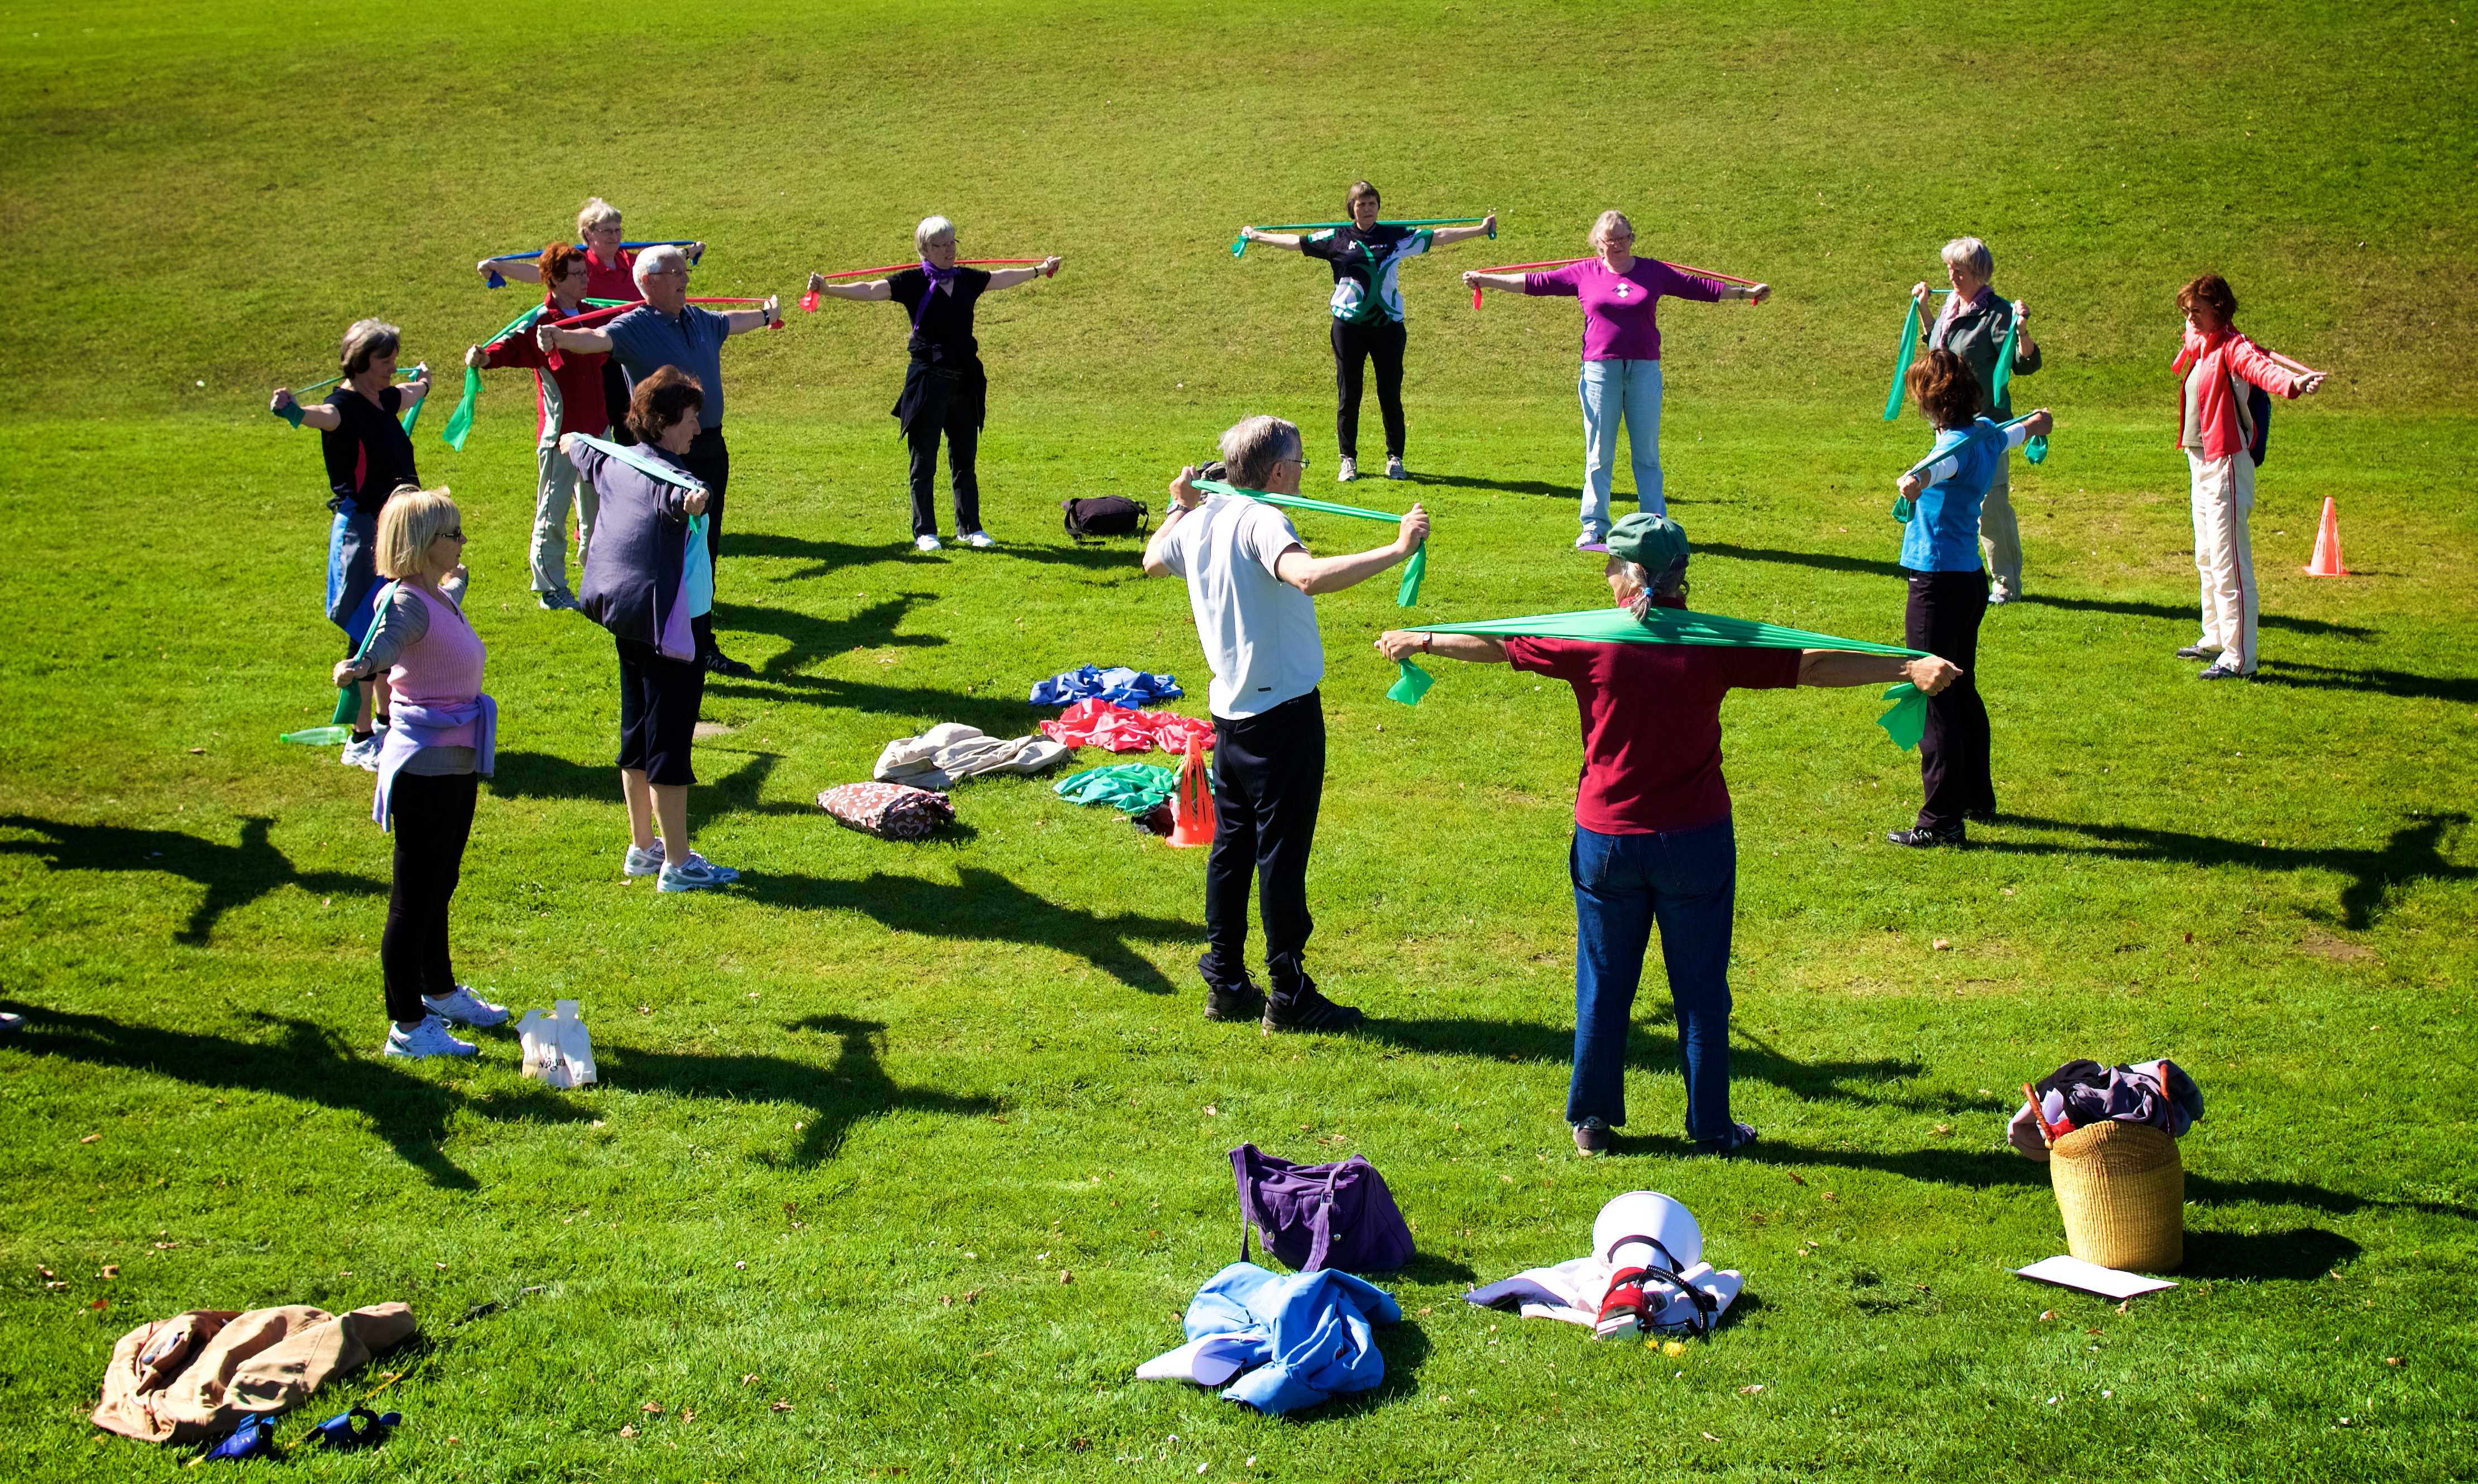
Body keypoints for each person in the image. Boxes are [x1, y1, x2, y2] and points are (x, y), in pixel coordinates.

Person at [1373, 511, 1961, 1154]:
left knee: (1602, 982)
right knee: (1701, 988)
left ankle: (1592, 1125)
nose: (1601, 573)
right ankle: (1710, 1127)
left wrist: (1422, 640)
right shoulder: (1711, 642)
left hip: (1606, 843)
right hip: (1695, 841)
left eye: (1608, 563)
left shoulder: (1593, 641)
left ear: (1630, 575)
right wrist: (1903, 669)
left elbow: (1498, 646)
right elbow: (1812, 665)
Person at [1143, 415, 1428, 1031]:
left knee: (1231, 849)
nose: (1304, 470)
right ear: (1275, 471)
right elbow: (1306, 577)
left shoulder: (1201, 519)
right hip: (1282, 719)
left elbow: (1150, 561)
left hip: (1232, 717)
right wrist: (1397, 549)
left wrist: (1178, 505)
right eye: (1299, 460)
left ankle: (1224, 980)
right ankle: (1287, 990)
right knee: (1278, 854)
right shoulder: (1261, 518)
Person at [1462, 212, 1767, 550]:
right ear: (1598, 243)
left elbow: (1698, 287)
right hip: (1599, 372)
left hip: (1644, 371)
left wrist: (1745, 293)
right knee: (1599, 452)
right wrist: (1486, 281)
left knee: (1647, 453)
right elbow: (1535, 283)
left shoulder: (1653, 271)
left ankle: (1656, 523)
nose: (1617, 245)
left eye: (1623, 238)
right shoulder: (1584, 273)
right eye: (1610, 240)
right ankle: (1594, 526)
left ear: (1632, 238)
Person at [538, 246, 777, 676]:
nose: (684, 277)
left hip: (707, 447)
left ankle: (700, 644)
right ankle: (666, 640)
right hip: (661, 459)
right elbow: (595, 340)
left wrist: (764, 315)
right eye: (674, 272)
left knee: (703, 549)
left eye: (684, 269)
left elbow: (730, 323)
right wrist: (560, 337)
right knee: (667, 550)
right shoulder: (633, 326)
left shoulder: (698, 317)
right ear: (647, 282)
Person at [333, 487, 510, 1058]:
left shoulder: (438, 592)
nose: (462, 541)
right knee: (414, 896)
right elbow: (384, 643)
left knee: (442, 882)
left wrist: (455, 580)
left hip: (455, 760)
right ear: (421, 545)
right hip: (424, 768)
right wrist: (360, 666)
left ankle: (439, 990)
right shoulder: (407, 602)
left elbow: (451, 590)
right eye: (452, 533)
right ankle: (406, 1025)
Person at [565, 368, 742, 894]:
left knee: (637, 731)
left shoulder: (615, 459)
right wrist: (690, 502)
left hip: (631, 618)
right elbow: (673, 501)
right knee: (668, 741)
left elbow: (582, 450)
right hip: (674, 627)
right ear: (664, 422)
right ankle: (679, 864)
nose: (697, 428)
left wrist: (571, 438)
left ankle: (644, 849)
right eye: (691, 419)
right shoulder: (674, 480)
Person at [806, 217, 1063, 551]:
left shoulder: (966, 279)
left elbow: (1000, 279)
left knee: (965, 459)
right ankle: (925, 530)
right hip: (927, 380)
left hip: (965, 380)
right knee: (924, 460)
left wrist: (1039, 270)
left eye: (953, 243)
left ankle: (970, 528)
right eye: (941, 245)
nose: (949, 251)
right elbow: (871, 290)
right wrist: (827, 289)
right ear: (924, 249)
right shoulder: (912, 282)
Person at [1887, 350, 2053, 846]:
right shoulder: (1985, 432)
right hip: (1967, 581)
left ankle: (1941, 820)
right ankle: (1976, 796)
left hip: (1936, 583)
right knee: (1961, 689)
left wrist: (1912, 481)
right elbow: (2022, 430)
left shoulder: (1952, 450)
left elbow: (1931, 475)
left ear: (1931, 402)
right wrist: (2038, 422)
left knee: (1932, 694)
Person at [1239, 184, 1496, 483]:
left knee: (1390, 394)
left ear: (1378, 206)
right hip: (1349, 327)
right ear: (1352, 208)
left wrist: (1479, 230)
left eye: (1372, 203)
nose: (1368, 208)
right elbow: (1296, 243)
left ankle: (1395, 459)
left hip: (1388, 327)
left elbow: (1437, 236)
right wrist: (1256, 237)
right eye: (1362, 204)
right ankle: (1348, 460)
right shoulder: (1336, 239)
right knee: (1350, 394)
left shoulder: (1395, 236)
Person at [271, 320, 431, 770]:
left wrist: (422, 381)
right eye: (385, 360)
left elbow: (412, 392)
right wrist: (290, 410)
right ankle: (360, 739)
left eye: (394, 359)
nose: (391, 367)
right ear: (360, 362)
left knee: (390, 624)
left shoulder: (382, 398)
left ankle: (383, 724)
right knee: (365, 630)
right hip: (363, 533)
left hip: (394, 528)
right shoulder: (340, 407)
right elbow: (313, 417)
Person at [2171, 272, 2325, 680]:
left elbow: (2262, 371)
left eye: (2197, 311)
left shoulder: (2234, 349)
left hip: (2225, 466)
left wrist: (2292, 383)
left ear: (2218, 311)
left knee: (2229, 562)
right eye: (2188, 312)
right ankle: (2215, 637)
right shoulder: (2202, 340)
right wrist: (2190, 322)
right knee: (2206, 555)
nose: (2190, 318)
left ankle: (2239, 658)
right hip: (2199, 461)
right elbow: (2189, 338)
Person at [481, 199, 703, 448]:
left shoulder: (630, 262)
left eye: (618, 230)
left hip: (641, 346)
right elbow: (540, 274)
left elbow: (661, 265)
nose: (614, 236)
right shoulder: (580, 266)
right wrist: (499, 267)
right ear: (589, 233)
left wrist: (689, 252)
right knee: (623, 421)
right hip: (603, 352)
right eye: (607, 230)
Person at [471, 242, 611, 611]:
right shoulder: (540, 322)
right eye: (578, 275)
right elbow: (508, 349)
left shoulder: (589, 315)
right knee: (553, 513)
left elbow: (619, 333)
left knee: (598, 509)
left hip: (599, 431)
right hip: (561, 435)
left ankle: (597, 575)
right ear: (556, 280)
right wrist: (484, 358)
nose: (586, 280)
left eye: (586, 273)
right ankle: (550, 587)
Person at [1910, 237, 2042, 603]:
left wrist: (2022, 331)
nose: (1951, 276)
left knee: (1991, 506)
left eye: (1959, 271)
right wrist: (1924, 310)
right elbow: (1939, 350)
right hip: (1948, 424)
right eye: (1949, 269)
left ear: (1979, 274)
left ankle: (2005, 583)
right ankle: (1964, 571)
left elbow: (2022, 362)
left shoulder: (1996, 312)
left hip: (1985, 425)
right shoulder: (1952, 306)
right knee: (1953, 500)